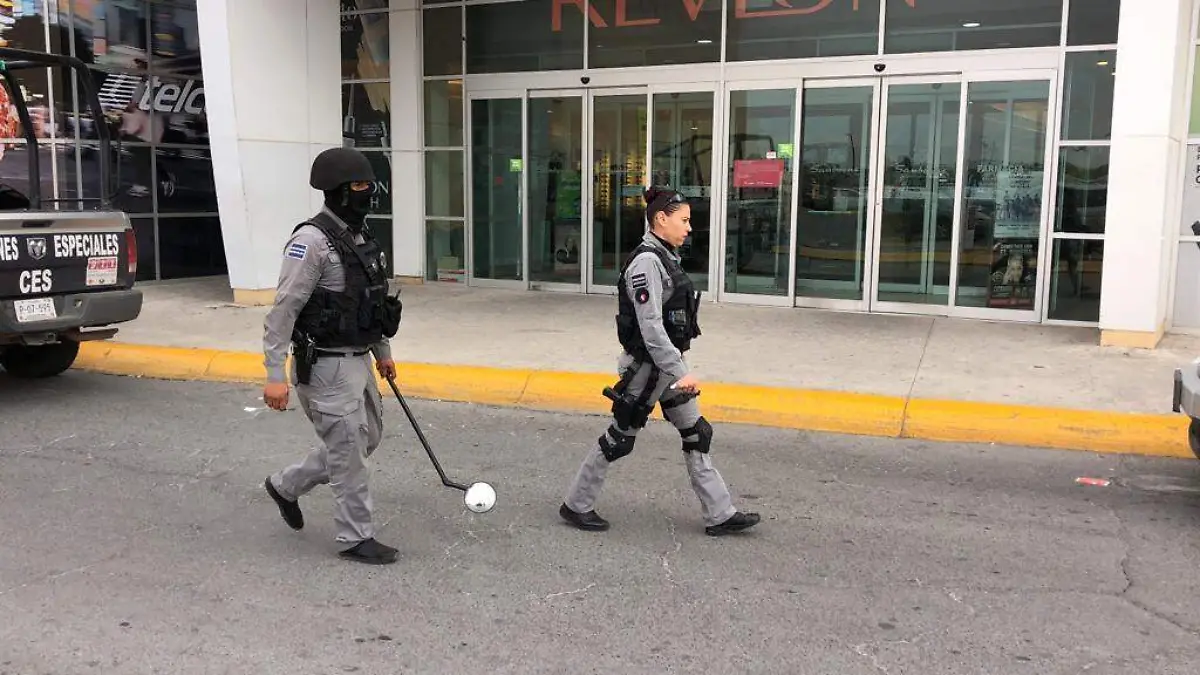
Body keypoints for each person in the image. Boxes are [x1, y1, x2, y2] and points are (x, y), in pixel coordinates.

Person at [559, 186, 761, 537]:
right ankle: (576, 505)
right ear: (661, 219)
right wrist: (682, 372)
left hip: (665, 370)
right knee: (619, 438)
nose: (689, 228)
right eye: (684, 220)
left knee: (697, 433)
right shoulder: (646, 263)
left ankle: (720, 514)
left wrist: (677, 369)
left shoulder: (665, 257)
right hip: (647, 371)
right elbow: (650, 328)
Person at [260, 147, 403, 565]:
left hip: (359, 359)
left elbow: (370, 301)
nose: (367, 193)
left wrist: (383, 351)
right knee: (349, 455)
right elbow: (283, 311)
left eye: (369, 185)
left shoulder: (361, 237)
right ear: (337, 190)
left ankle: (285, 486)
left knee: (365, 440)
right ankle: (355, 537)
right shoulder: (310, 242)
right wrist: (274, 375)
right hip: (326, 365)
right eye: (359, 185)